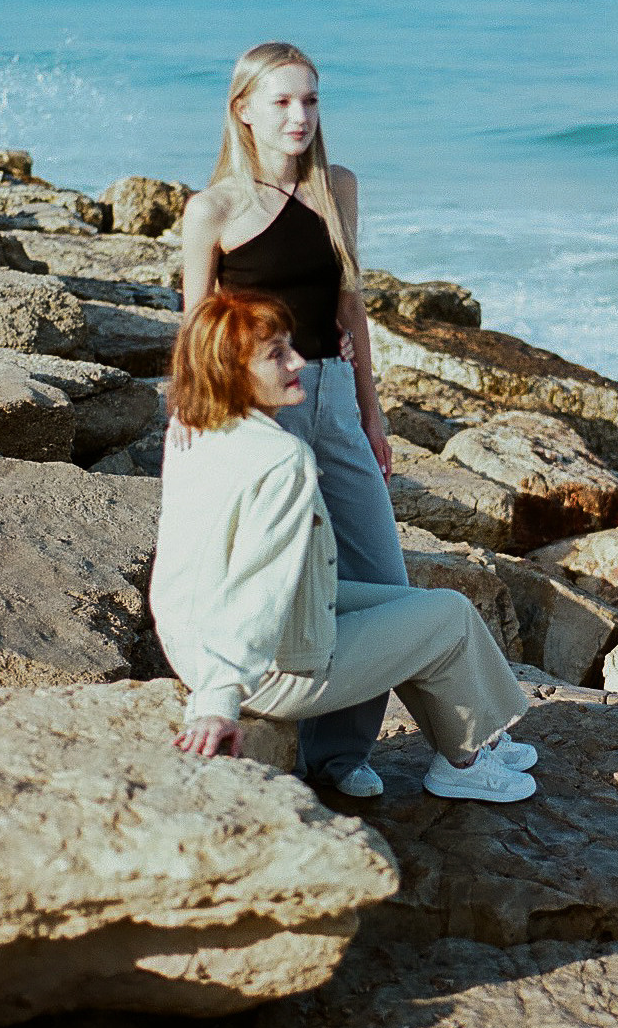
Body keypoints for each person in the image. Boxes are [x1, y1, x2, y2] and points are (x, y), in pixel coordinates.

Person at [150, 290, 538, 803]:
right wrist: (218, 698)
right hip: (267, 669)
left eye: (291, 347)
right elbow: (257, 585)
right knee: (446, 614)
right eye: (276, 355)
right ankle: (461, 765)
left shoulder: (194, 431)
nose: (299, 363)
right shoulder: (281, 458)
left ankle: (478, 735)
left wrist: (202, 666)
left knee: (430, 610)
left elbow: (181, 561)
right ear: (231, 371)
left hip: (191, 642)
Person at [180, 41, 403, 799]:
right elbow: (196, 329)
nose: (298, 115)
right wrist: (193, 416)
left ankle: (342, 755)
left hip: (333, 393)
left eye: (309, 100)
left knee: (381, 573)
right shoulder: (211, 209)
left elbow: (350, 309)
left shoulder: (337, 187)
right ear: (243, 109)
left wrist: (373, 413)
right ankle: (274, 718)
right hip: (258, 411)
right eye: (280, 101)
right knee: (286, 576)